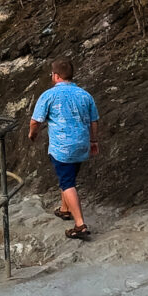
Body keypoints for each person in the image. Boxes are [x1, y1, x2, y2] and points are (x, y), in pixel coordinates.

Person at [28, 58, 99, 240]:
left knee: (67, 183)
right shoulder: (84, 95)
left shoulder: (49, 95)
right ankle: (65, 209)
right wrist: (94, 141)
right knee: (68, 176)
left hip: (62, 147)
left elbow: (36, 121)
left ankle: (80, 225)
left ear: (55, 76)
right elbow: (94, 120)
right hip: (81, 145)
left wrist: (32, 134)